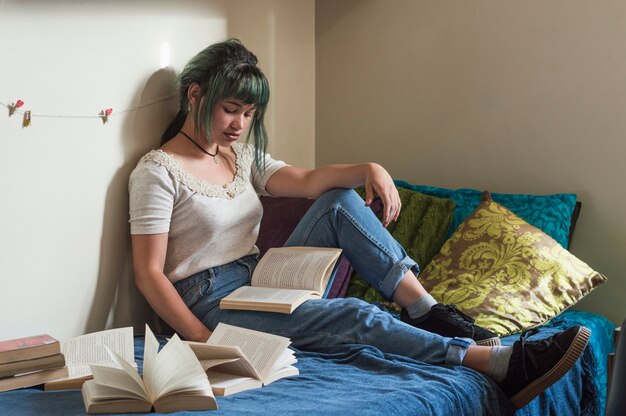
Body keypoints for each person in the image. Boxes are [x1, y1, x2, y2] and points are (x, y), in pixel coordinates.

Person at [128, 39, 590, 409]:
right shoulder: (159, 171)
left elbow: (309, 182)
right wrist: (205, 340)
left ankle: (427, 310)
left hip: (257, 279)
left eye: (248, 115)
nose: (239, 124)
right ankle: (490, 361)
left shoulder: (237, 155)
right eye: (232, 109)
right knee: (356, 315)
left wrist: (370, 168)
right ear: (195, 94)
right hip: (210, 302)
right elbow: (149, 274)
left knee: (340, 201)